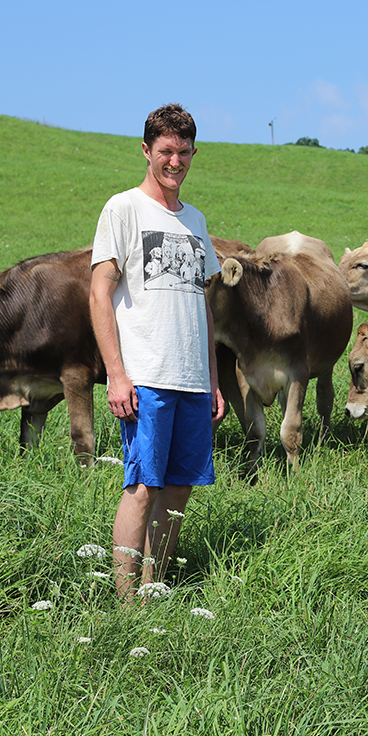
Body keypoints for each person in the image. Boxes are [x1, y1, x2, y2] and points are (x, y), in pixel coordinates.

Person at [88, 104, 225, 597]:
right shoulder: (123, 208)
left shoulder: (196, 222)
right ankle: (125, 605)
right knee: (143, 487)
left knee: (180, 488)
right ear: (147, 151)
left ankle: (155, 588)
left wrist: (212, 379)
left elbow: (202, 306)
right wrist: (116, 374)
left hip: (191, 379)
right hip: (145, 374)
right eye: (165, 151)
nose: (175, 161)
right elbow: (100, 292)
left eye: (183, 151)